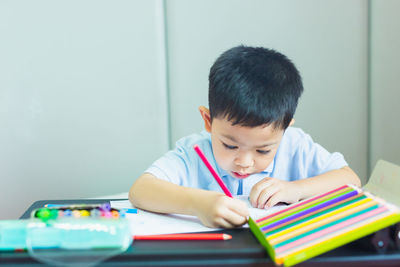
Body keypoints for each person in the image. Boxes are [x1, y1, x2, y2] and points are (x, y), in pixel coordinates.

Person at [129, 45, 361, 229]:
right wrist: (198, 203)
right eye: (230, 145)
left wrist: (296, 189)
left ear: (284, 130)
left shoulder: (295, 145)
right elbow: (140, 190)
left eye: (263, 150)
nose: (245, 162)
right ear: (208, 121)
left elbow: (350, 180)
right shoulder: (195, 152)